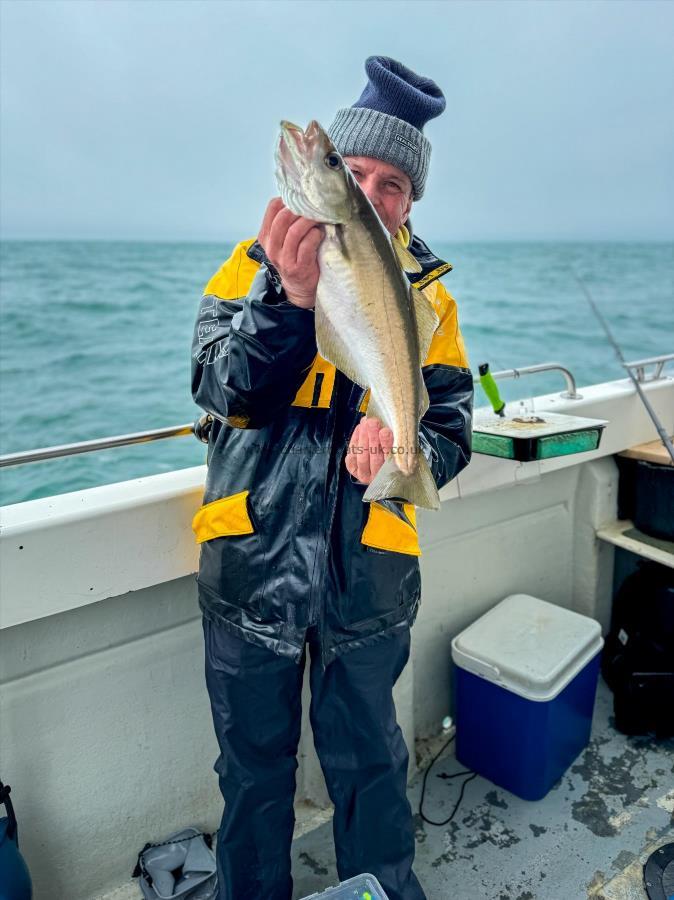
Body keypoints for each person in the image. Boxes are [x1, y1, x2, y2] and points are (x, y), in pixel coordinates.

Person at [190, 56, 473, 900]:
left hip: (370, 577)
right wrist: (286, 298)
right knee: (251, 773)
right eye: (355, 172)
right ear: (332, 183)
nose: (374, 192)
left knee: (373, 768)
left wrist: (403, 438)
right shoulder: (251, 264)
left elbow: (451, 426)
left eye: (393, 184)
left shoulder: (431, 300)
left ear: (410, 203)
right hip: (252, 566)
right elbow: (220, 390)